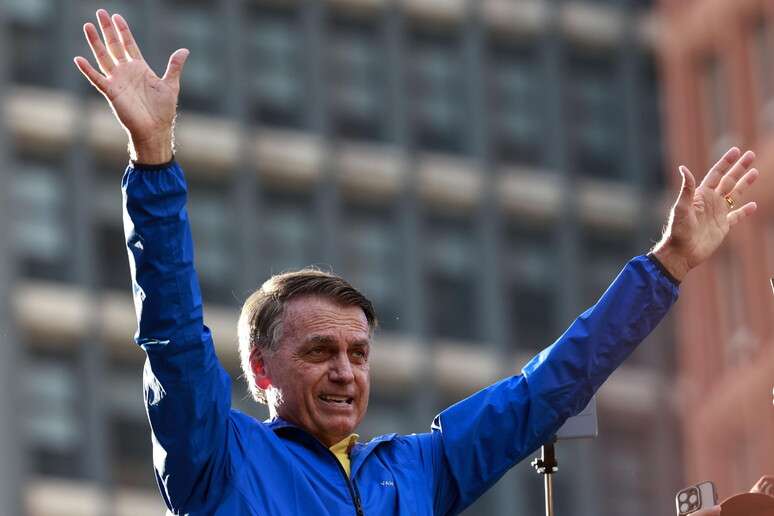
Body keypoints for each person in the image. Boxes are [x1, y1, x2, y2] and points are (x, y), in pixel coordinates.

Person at [73, 9, 762, 515]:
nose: (345, 372)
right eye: (318, 351)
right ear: (260, 369)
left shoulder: (418, 469)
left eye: (358, 353)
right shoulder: (218, 458)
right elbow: (173, 336)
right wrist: (154, 159)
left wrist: (668, 264)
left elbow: (549, 386)